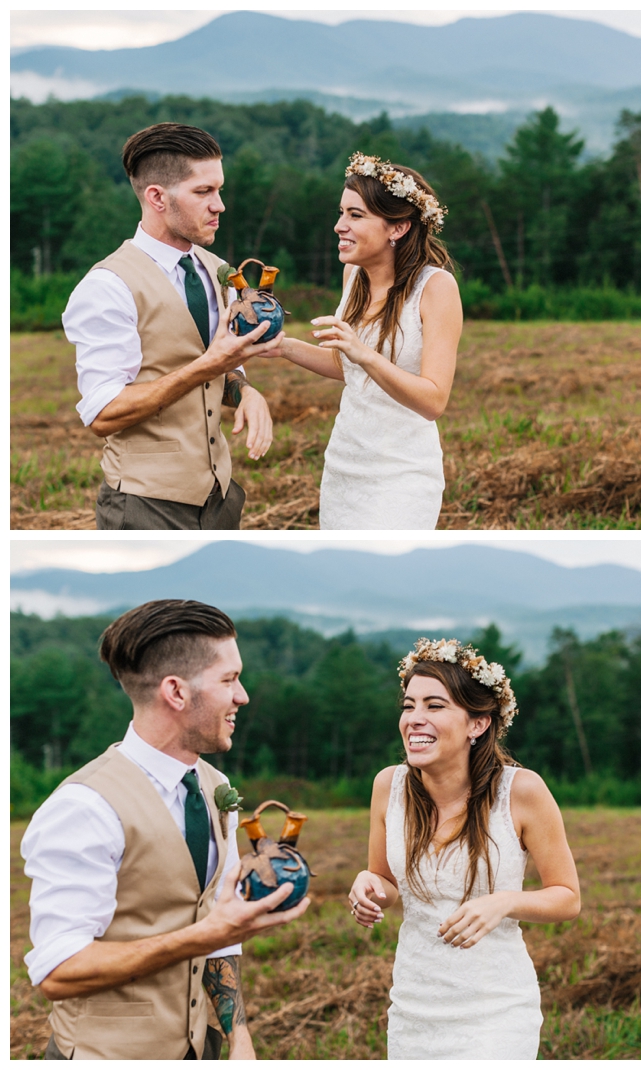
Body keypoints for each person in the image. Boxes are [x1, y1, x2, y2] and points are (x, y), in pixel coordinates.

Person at [20, 600, 309, 1060]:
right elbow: (59, 970)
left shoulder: (217, 787)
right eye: (229, 680)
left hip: (200, 1050)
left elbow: (219, 921)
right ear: (175, 692)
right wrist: (205, 935)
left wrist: (239, 1037)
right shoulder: (85, 807)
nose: (243, 697)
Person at [347, 637, 581, 1060]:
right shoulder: (389, 786)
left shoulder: (522, 791)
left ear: (478, 723)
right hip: (413, 1007)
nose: (415, 719)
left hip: (496, 1012)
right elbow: (385, 880)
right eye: (408, 706)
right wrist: (369, 886)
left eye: (435, 706)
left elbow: (567, 898)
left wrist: (504, 903)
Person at [62, 123, 285, 530]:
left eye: (219, 190)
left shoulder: (219, 271)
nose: (219, 205)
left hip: (220, 501)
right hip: (143, 506)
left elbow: (224, 363)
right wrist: (206, 366)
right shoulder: (107, 287)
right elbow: (103, 413)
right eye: (203, 192)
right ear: (157, 197)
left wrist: (247, 390)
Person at [268, 152, 462, 529]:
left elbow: (433, 401)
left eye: (356, 216)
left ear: (398, 228)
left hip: (402, 474)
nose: (340, 226)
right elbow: (348, 369)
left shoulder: (436, 288)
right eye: (341, 213)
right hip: (344, 463)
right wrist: (280, 346)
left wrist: (364, 353)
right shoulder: (353, 276)